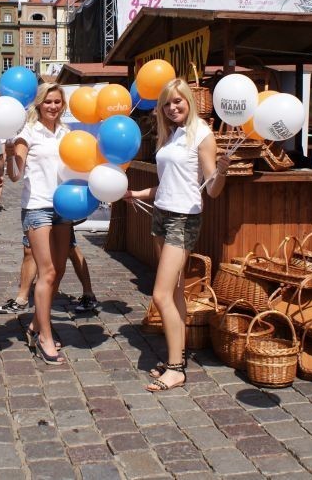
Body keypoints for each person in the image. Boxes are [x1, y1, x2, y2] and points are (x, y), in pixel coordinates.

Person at [124, 79, 229, 392]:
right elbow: (167, 184)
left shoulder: (202, 134)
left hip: (183, 219)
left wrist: (221, 172)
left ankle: (175, 369)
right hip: (162, 213)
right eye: (167, 104)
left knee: (160, 295)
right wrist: (136, 193)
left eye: (178, 102)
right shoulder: (170, 135)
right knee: (177, 292)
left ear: (189, 101)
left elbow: (211, 189)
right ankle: (178, 356)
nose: (173, 108)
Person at [5, 83, 70, 365]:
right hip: (37, 207)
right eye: (48, 102)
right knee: (48, 272)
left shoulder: (67, 133)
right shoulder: (27, 133)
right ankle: (45, 335)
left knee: (60, 272)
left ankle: (35, 325)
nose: (53, 107)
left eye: (57, 102)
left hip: (64, 206)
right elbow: (16, 176)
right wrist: (9, 156)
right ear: (39, 104)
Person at [0, 228, 98, 315]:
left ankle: (88, 294)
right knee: (29, 248)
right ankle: (21, 300)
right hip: (36, 208)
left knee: (70, 248)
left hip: (58, 209)